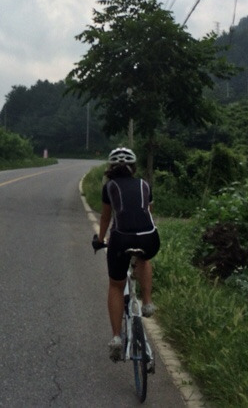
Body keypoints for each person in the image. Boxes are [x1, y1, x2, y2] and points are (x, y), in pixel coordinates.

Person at [92, 147, 160, 362]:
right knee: (144, 258)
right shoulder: (145, 185)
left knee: (116, 285)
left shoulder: (109, 187)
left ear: (110, 167)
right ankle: (147, 303)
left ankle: (116, 338)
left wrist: (100, 240)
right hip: (149, 237)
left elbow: (106, 218)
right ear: (134, 167)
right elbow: (148, 212)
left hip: (121, 239)